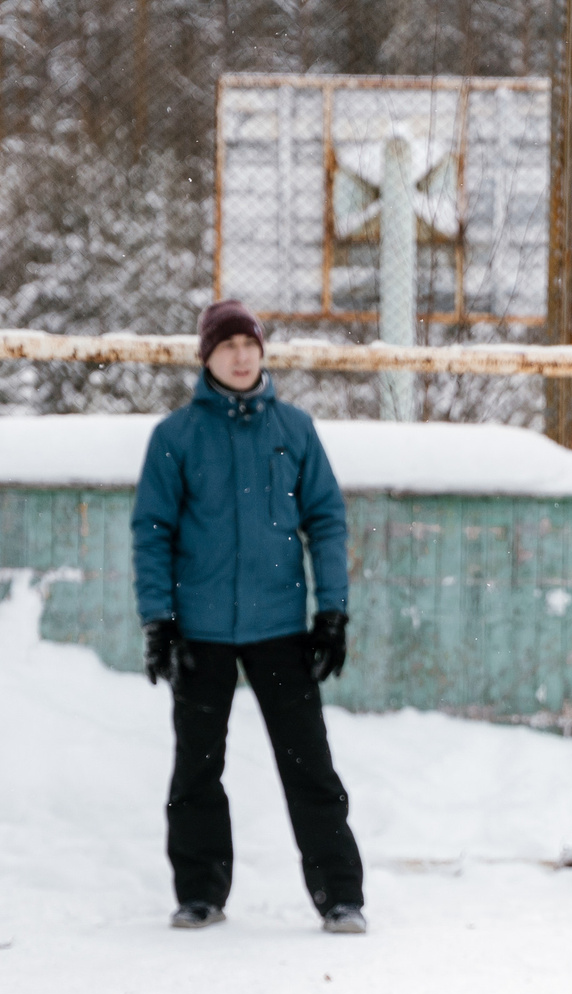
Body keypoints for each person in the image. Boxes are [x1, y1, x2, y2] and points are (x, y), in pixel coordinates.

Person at [133, 299, 366, 934]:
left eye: (249, 344)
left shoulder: (294, 430)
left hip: (279, 629)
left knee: (309, 766)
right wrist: (159, 619)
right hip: (200, 632)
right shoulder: (176, 438)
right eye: (226, 346)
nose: (240, 356)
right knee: (197, 767)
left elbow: (327, 521)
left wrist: (333, 613)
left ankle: (341, 896)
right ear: (206, 357)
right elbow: (151, 531)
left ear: (262, 352)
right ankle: (200, 893)